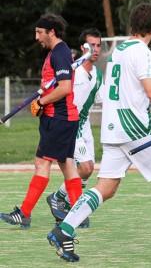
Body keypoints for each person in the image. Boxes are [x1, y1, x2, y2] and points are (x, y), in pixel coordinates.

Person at [46, 2, 151, 262]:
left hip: (112, 128)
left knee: (107, 186)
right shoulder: (143, 54)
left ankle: (64, 229)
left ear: (132, 25)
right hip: (135, 127)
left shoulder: (118, 50)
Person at [0, 14, 82, 229]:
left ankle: (24, 213)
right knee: (67, 165)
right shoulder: (56, 53)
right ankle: (79, 213)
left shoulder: (60, 53)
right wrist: (42, 101)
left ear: (51, 32)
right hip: (61, 118)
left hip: (59, 118)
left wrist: (42, 101)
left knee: (42, 163)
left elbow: (65, 88)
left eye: (39, 32)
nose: (36, 37)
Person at [46, 28, 104, 228]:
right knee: (85, 166)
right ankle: (69, 202)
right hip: (70, 125)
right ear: (82, 48)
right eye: (92, 45)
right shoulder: (73, 72)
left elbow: (102, 99)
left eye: (98, 45)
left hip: (84, 125)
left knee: (87, 171)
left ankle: (59, 196)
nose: (96, 49)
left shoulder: (97, 74)